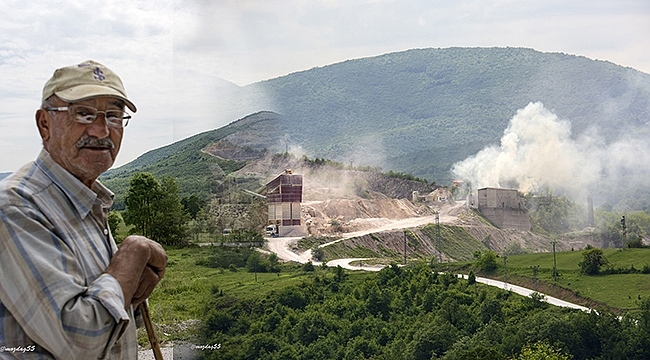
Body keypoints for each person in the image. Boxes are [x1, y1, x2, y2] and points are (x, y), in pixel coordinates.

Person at [0, 60, 167, 359]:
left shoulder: (85, 200)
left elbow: (112, 316)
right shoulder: (16, 205)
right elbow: (81, 344)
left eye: (114, 116)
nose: (102, 131)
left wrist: (132, 278)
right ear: (44, 124)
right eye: (84, 113)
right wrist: (132, 255)